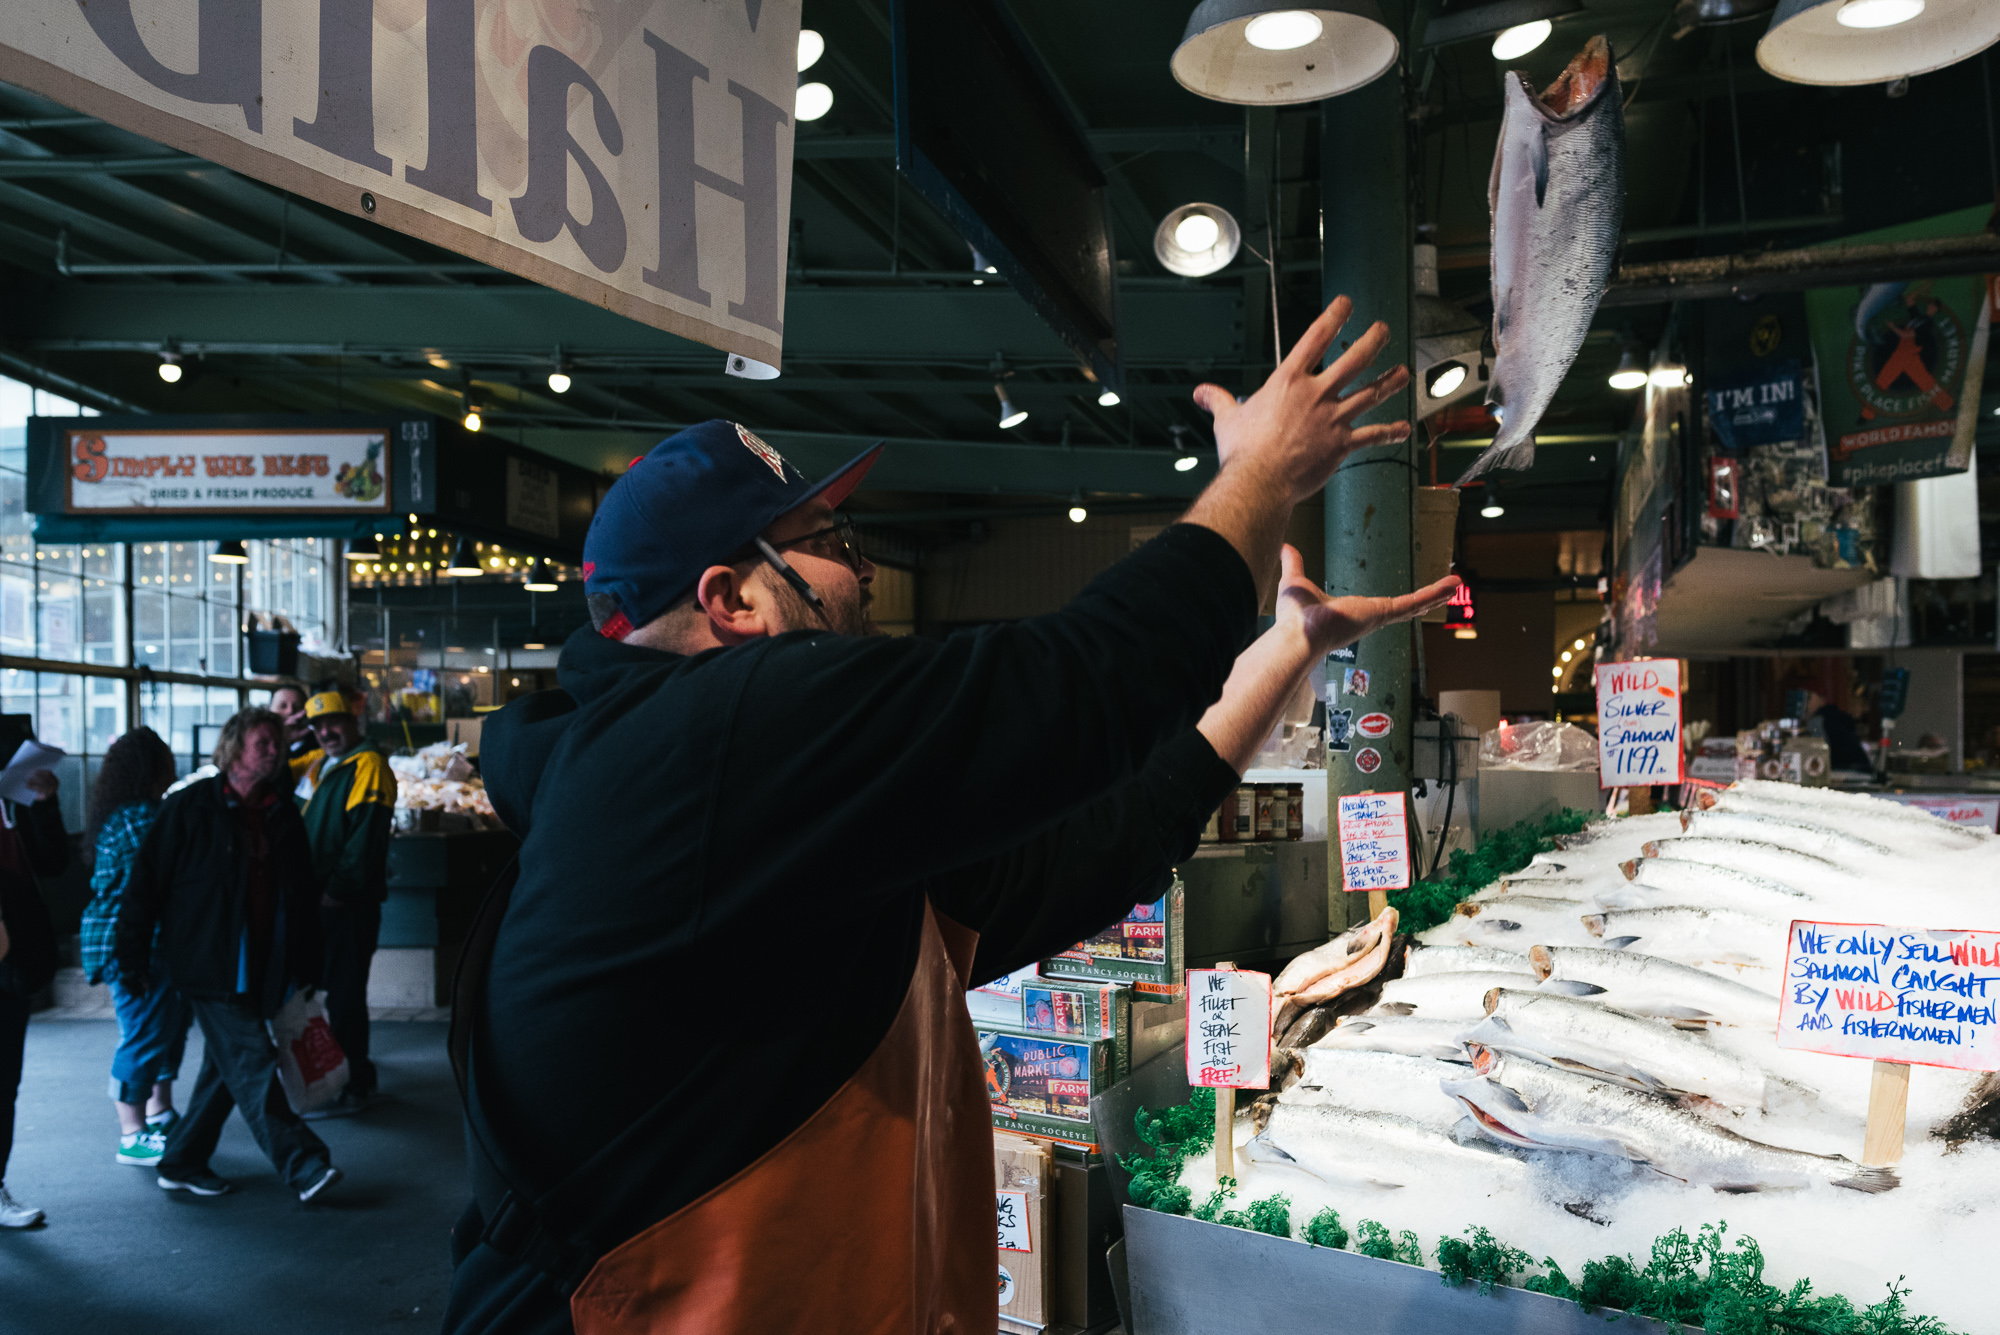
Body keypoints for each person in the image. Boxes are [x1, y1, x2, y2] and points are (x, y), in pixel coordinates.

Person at [442, 296, 1455, 1333]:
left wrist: (1288, 643)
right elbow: (1083, 684)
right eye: (831, 538)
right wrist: (1261, 473)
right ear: (731, 601)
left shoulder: (790, 831)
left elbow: (1100, 845)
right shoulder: (707, 741)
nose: (866, 565)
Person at [115, 707, 342, 1202]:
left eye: (278, 743)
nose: (275, 751)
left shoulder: (280, 812)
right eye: (264, 742)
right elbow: (145, 886)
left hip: (264, 965)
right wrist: (129, 958)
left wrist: (307, 966)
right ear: (235, 747)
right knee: (253, 1060)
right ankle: (304, 1165)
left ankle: (181, 1159)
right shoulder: (190, 807)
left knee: (225, 1070)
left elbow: (301, 896)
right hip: (207, 964)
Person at [77, 727, 188, 1169]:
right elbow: (155, 886)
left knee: (162, 1028)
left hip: (129, 941)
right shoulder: (143, 818)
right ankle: (132, 1133)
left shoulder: (120, 815)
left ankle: (158, 1113)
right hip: (136, 944)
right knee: (145, 1032)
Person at [293, 689, 396, 1116]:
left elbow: (365, 840)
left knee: (347, 996)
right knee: (326, 992)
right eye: (316, 726)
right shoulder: (321, 765)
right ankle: (332, 1075)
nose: (325, 732)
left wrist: (338, 891)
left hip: (344, 904)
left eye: (333, 722)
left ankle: (356, 1081)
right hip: (317, 901)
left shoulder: (368, 764)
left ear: (353, 721)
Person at [0, 747, 69, 1230]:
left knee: (4, 1082)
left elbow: (53, 861)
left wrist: (46, 804)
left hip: (11, 961)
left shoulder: (13, 802)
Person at [269, 682, 319, 766]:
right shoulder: (263, 745)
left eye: (298, 706)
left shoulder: (320, 743)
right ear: (270, 711)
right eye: (283, 706)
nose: (290, 711)